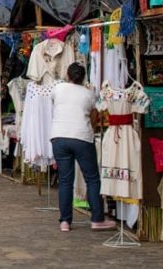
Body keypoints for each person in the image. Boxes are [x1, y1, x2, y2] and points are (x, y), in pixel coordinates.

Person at [51, 63, 116, 232]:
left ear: (68, 75)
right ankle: (97, 219)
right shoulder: (89, 94)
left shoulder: (58, 88)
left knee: (65, 180)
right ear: (84, 77)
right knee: (92, 179)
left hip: (59, 136)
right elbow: (94, 118)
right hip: (82, 137)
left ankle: (65, 221)